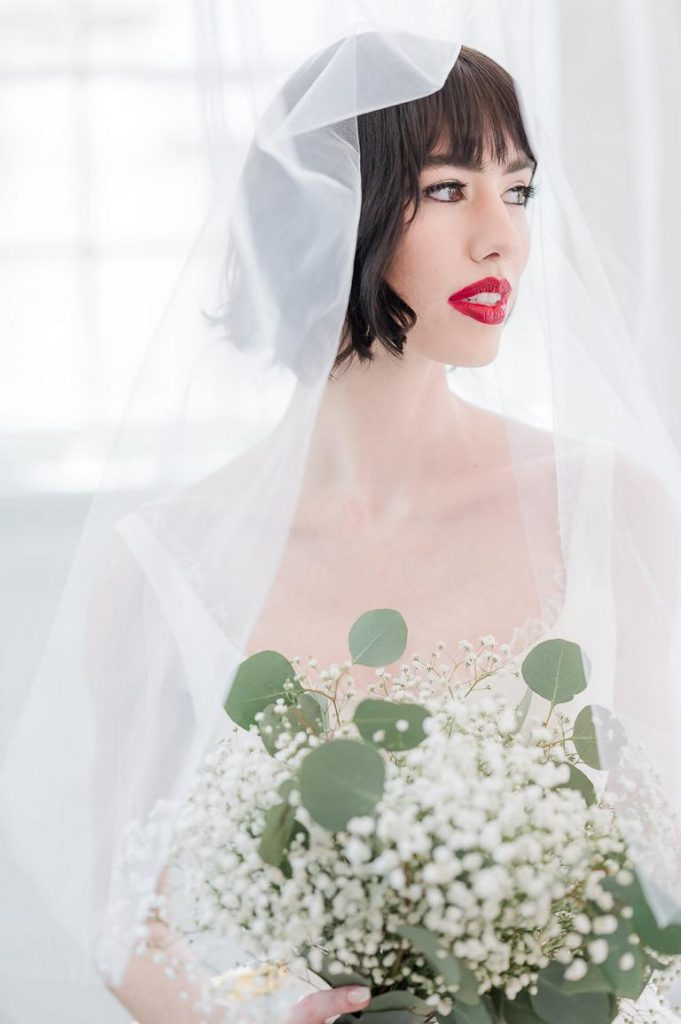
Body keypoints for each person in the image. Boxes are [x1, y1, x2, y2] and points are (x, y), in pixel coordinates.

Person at [2, 10, 680, 1024]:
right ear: (331, 212)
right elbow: (124, 923)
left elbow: (661, 857)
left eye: (519, 188)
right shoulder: (159, 564)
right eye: (450, 187)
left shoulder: (609, 503)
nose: (504, 232)